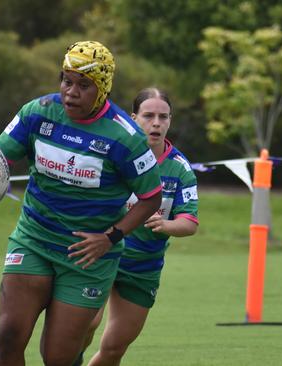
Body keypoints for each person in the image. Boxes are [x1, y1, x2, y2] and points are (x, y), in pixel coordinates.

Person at [0, 41, 163, 366]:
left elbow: (151, 196)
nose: (71, 91)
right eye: (66, 80)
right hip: (34, 239)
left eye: (84, 85)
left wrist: (111, 237)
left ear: (102, 89)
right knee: (9, 334)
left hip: (87, 257)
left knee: (57, 357)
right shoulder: (37, 112)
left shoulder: (125, 137)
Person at [72, 87, 199, 366]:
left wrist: (166, 225)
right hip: (103, 254)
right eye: (149, 115)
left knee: (115, 348)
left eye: (163, 117)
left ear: (170, 121)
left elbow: (189, 223)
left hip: (143, 266)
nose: (156, 123)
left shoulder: (180, 168)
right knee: (85, 325)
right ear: (133, 118)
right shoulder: (116, 153)